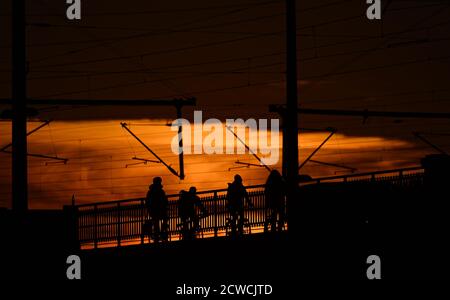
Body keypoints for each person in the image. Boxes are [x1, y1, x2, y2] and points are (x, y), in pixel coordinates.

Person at [145, 177, 169, 242]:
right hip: (159, 210)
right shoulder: (161, 191)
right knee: (164, 219)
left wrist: (149, 209)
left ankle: (157, 235)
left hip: (154, 210)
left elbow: (147, 201)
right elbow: (165, 200)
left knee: (156, 222)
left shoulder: (150, 191)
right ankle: (162, 233)